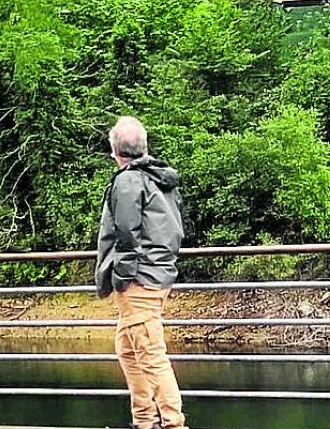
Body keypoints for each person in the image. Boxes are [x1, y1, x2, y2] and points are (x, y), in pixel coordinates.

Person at [95, 117, 187, 429]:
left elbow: (126, 234)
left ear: (114, 150)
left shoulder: (129, 181)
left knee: (149, 353)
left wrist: (121, 276)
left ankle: (174, 424)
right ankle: (144, 420)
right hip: (158, 273)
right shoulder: (161, 179)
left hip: (139, 280)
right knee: (127, 348)